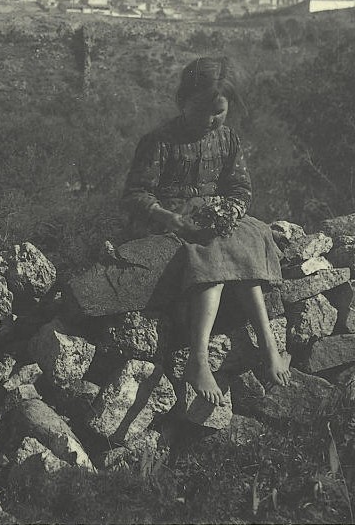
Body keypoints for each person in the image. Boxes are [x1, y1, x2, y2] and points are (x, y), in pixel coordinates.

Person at [122, 56, 291, 405]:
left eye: (220, 112)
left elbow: (240, 188)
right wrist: (169, 218)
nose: (211, 120)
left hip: (213, 214)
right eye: (202, 111)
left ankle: (269, 344)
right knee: (210, 249)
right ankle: (198, 358)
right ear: (183, 101)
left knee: (248, 238)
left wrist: (232, 210)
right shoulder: (159, 141)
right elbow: (135, 194)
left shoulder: (228, 139)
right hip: (171, 217)